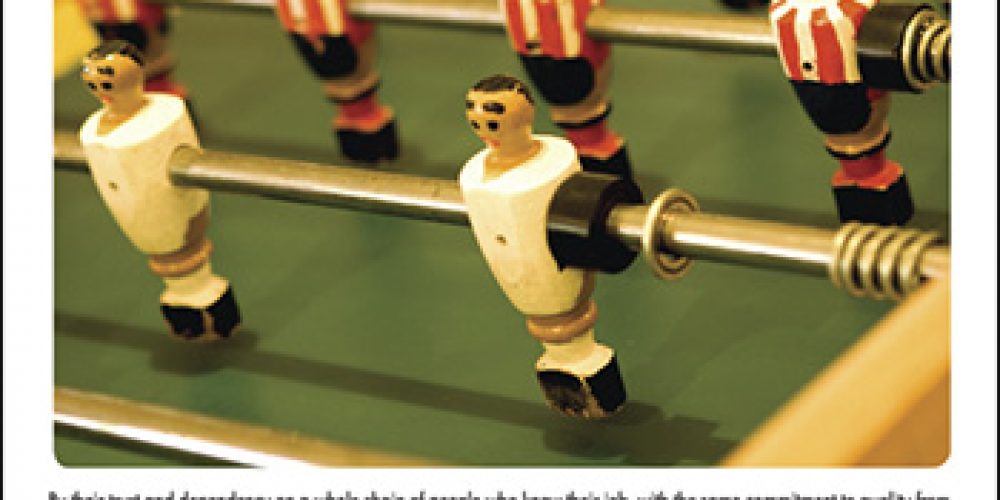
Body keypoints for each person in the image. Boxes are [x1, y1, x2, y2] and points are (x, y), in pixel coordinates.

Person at [459, 75, 626, 418]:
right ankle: (571, 368)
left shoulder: (552, 163)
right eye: (475, 120)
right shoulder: (476, 176)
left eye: (492, 120)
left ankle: (582, 369)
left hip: (565, 276)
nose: (484, 129)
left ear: (525, 116)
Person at [79, 40, 241, 340]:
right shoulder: (93, 131)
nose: (100, 89)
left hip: (181, 225)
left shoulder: (165, 114)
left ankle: (205, 305)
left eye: (107, 81)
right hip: (149, 229)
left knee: (184, 251)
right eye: (93, 82)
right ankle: (192, 305)